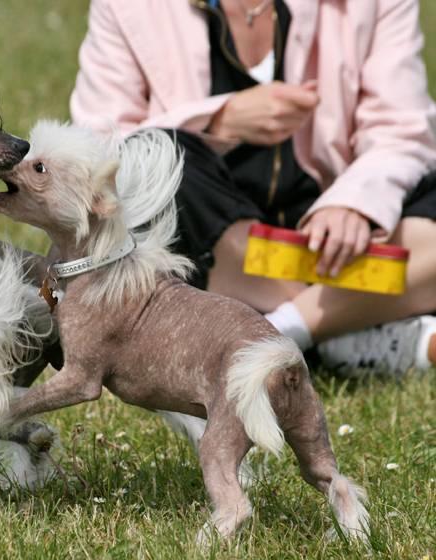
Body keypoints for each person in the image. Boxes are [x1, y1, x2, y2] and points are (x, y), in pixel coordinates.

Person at [69, 0, 436, 375]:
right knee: (156, 162)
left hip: (335, 244)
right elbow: (98, 152)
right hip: (216, 243)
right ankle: (349, 321)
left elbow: (402, 129)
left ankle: (282, 331)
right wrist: (218, 121)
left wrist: (354, 203)